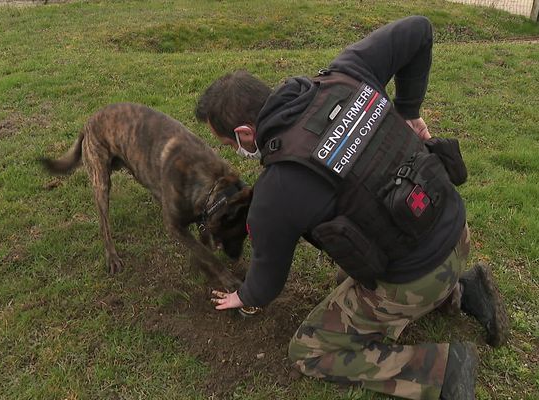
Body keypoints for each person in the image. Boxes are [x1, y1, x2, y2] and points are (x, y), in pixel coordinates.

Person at [196, 16, 509, 400]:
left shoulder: (276, 190)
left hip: (418, 274)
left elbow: (267, 280)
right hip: (455, 228)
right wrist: (409, 109)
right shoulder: (347, 74)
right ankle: (465, 289)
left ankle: (442, 371)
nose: (239, 152)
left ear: (245, 133)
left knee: (310, 350)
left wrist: (245, 296)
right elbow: (419, 30)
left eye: (231, 145)